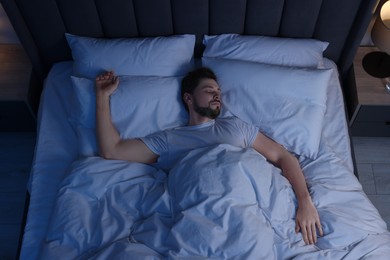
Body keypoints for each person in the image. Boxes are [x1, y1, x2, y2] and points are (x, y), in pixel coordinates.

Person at [95, 68, 324, 245]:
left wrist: (305, 202)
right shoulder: (170, 139)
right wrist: (102, 96)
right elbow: (112, 150)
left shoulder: (236, 127)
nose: (217, 97)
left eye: (218, 93)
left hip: (246, 211)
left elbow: (284, 156)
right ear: (189, 98)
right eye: (209, 91)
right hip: (200, 217)